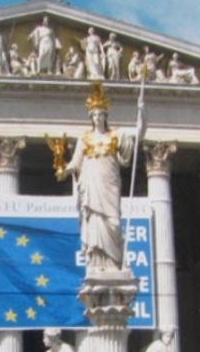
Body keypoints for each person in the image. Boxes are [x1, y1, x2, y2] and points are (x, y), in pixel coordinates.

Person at [57, 83, 144, 274]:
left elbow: (138, 133)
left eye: (101, 114)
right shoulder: (84, 139)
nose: (98, 118)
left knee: (113, 222)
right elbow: (75, 163)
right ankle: (97, 264)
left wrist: (141, 114)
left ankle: (114, 263)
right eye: (95, 114)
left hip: (109, 185)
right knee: (94, 221)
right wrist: (64, 171)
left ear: (106, 116)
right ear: (91, 117)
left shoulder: (115, 135)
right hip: (91, 185)